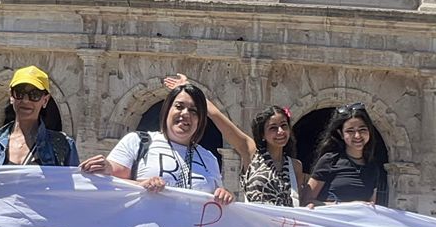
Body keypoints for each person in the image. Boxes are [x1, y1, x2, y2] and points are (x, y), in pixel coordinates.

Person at [168, 76, 307, 208]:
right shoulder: (252, 153)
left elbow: (301, 203)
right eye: (273, 128)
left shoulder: (295, 166)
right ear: (262, 135)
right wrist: (189, 90)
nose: (280, 131)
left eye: (284, 126)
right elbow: (219, 117)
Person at [83, 83, 234, 201]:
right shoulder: (138, 142)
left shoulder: (208, 158)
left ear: (201, 120)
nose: (185, 114)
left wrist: (224, 196)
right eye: (179, 107)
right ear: (167, 110)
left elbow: (216, 204)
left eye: (194, 111)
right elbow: (109, 181)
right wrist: (140, 185)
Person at [0, 67, 79, 168]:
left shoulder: (63, 146)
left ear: (45, 100)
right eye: (19, 93)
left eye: (35, 95)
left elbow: (77, 181)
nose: (26, 100)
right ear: (11, 96)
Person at [305, 103, 389, 208]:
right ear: (341, 134)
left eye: (362, 129)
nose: (357, 136)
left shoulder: (373, 168)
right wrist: (347, 206)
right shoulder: (330, 160)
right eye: (350, 131)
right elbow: (306, 201)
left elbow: (371, 206)